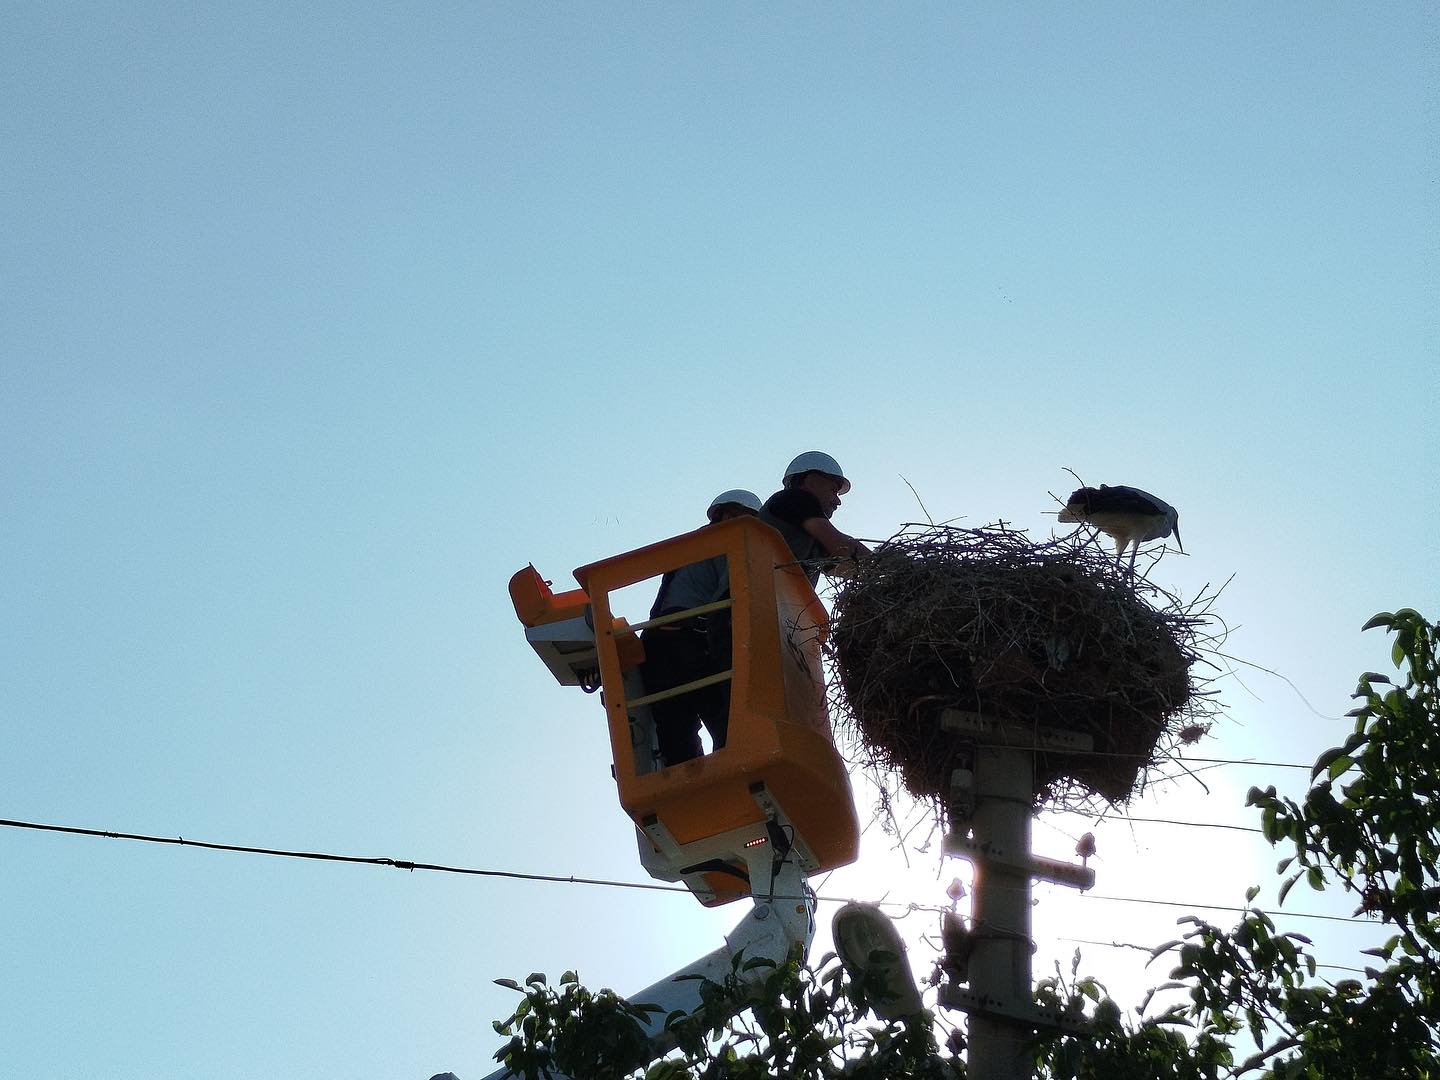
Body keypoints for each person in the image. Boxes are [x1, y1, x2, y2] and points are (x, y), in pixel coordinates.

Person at [641, 490, 762, 766]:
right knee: (725, 716)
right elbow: (733, 594)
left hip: (657, 640)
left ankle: (691, 779)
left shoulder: (693, 545)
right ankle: (735, 769)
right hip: (686, 638)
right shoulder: (728, 540)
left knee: (676, 726)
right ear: (729, 515)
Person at [758, 451, 871, 586]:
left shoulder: (808, 537)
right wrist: (889, 564)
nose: (837, 501)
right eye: (833, 490)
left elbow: (843, 566)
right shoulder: (795, 498)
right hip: (761, 595)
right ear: (811, 480)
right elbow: (840, 545)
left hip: (773, 600)